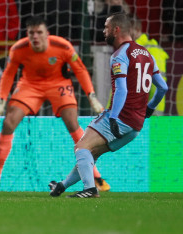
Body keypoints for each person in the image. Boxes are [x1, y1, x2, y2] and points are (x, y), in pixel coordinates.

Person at [0, 16, 109, 192]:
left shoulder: (62, 46)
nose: (35, 37)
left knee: (72, 122)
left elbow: (80, 69)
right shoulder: (18, 49)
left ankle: (96, 175)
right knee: (9, 122)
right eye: (31, 33)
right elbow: (8, 74)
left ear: (47, 34)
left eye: (39, 32)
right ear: (27, 34)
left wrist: (92, 97)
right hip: (30, 85)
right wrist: (1, 103)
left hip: (58, 84)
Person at [49, 13, 168, 198]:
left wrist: (113, 118)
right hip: (136, 125)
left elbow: (122, 90)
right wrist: (150, 109)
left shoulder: (120, 55)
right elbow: (163, 87)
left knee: (81, 148)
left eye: (106, 27)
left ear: (116, 29)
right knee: (91, 152)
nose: (104, 31)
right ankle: (62, 186)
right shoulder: (147, 54)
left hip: (120, 116)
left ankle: (90, 189)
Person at [131, 18, 169, 116]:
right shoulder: (129, 51)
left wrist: (151, 111)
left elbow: (158, 87)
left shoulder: (152, 50)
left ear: (137, 30)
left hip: (150, 113)